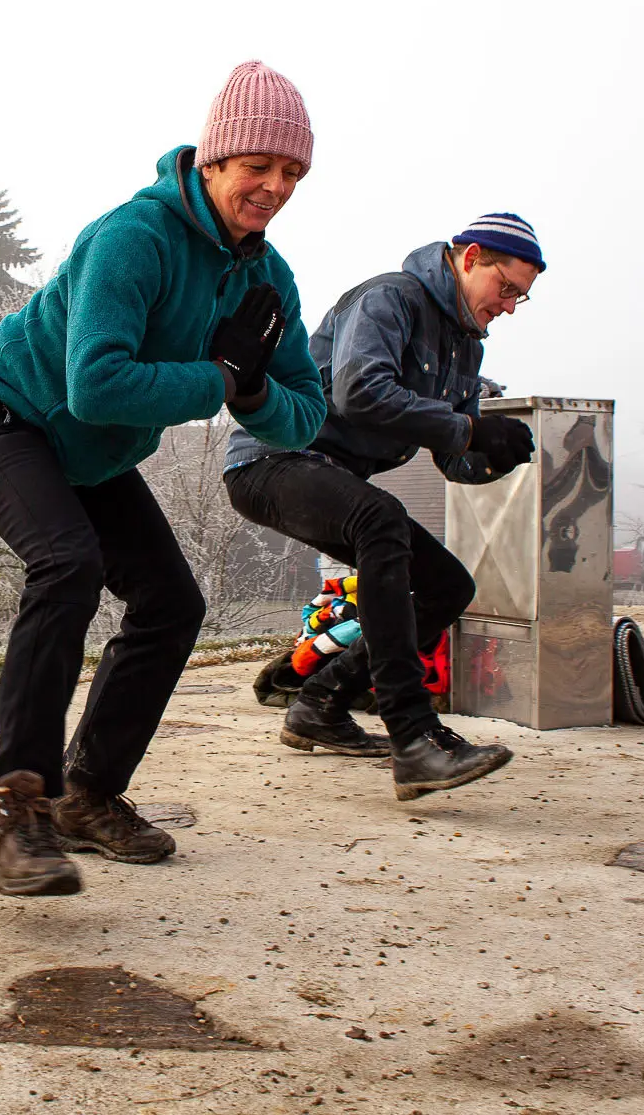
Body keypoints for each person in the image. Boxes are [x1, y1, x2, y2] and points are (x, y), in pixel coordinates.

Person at [0, 61, 327, 897]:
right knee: (67, 564)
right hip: (5, 414)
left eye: (291, 172)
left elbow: (305, 412)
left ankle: (88, 792)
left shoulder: (268, 279)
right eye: (257, 166)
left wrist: (254, 385)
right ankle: (21, 804)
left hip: (92, 454)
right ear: (214, 159)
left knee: (172, 603)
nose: (273, 187)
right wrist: (220, 380)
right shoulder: (133, 237)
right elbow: (98, 383)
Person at [224, 214, 544, 798]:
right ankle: (413, 735)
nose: (511, 306)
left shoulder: (465, 349)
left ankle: (321, 703)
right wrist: (467, 429)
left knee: (449, 587)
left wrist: (499, 451)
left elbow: (454, 461)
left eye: (522, 297)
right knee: (381, 519)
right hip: (271, 460)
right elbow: (360, 391)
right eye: (507, 289)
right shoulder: (389, 298)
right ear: (470, 258)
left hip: (336, 479)